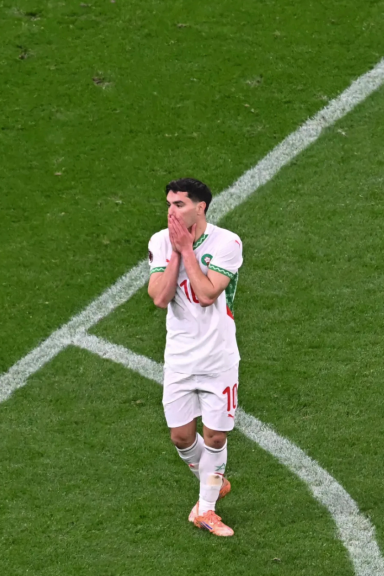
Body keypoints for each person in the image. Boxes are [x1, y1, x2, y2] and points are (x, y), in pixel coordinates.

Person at [146, 177, 243, 537]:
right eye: (169, 204)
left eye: (179, 205)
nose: (171, 211)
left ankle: (206, 509)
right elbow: (159, 297)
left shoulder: (227, 243)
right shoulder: (159, 241)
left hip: (218, 357)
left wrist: (187, 250)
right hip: (180, 358)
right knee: (181, 437)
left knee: (215, 438)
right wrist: (174, 251)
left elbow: (205, 294)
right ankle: (213, 479)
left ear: (200, 207)